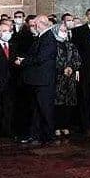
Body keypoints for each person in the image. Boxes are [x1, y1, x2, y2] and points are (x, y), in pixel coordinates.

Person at [17, 15, 57, 146]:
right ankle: (36, 135)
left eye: (35, 24)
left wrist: (23, 61)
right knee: (36, 110)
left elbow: (40, 58)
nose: (33, 26)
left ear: (41, 24)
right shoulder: (42, 37)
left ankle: (48, 136)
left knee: (45, 110)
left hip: (43, 81)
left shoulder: (48, 38)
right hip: (37, 80)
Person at [53, 23, 82, 137]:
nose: (64, 32)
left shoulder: (70, 45)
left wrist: (72, 67)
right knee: (57, 103)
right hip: (57, 79)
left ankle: (65, 125)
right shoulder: (52, 45)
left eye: (65, 30)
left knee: (68, 104)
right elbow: (51, 60)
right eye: (61, 30)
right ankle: (56, 126)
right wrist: (62, 69)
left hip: (70, 79)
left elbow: (78, 59)